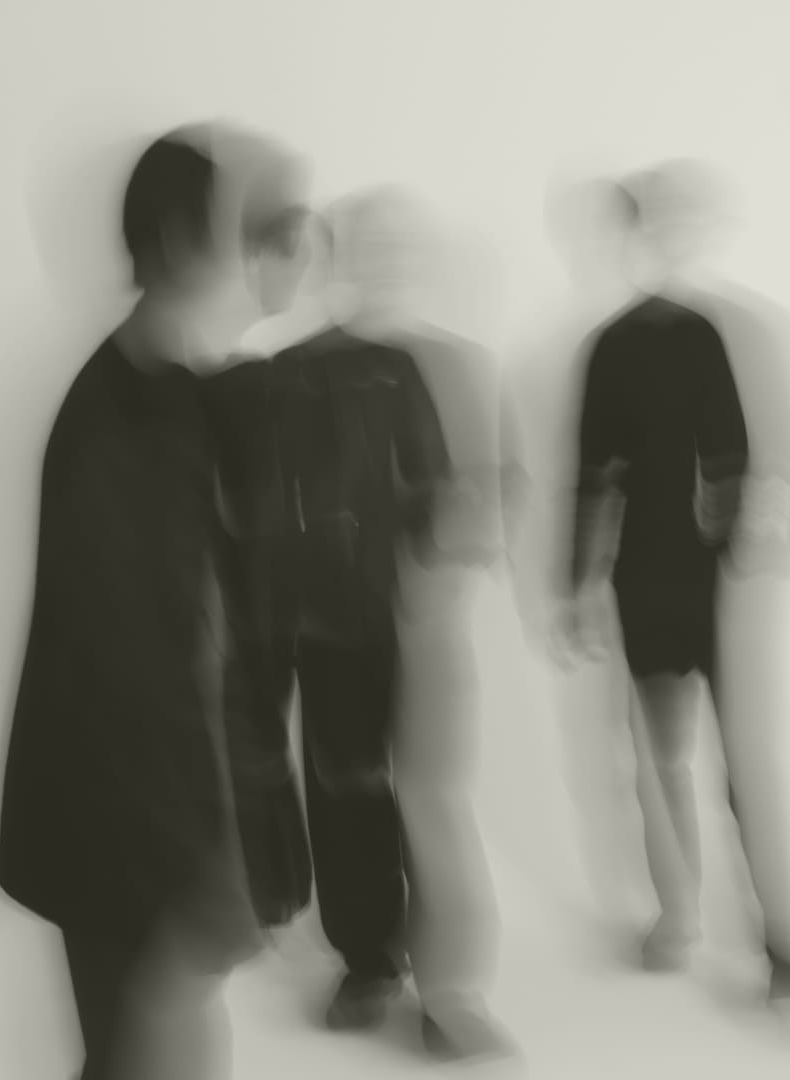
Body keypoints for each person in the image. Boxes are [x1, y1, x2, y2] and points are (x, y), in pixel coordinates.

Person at [0, 121, 313, 1080]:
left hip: (159, 835)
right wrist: (208, 873)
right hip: (137, 841)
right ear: (180, 244)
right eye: (255, 226)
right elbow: (148, 663)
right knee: (148, 1051)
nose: (285, 246)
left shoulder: (185, 398)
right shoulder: (125, 425)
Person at [557, 170, 790, 1012]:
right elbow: (592, 472)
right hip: (646, 574)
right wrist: (578, 581)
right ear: (636, 227)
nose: (673, 229)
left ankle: (784, 946)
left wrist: (766, 553)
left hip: (728, 583)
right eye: (658, 214)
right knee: (656, 756)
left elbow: (786, 455)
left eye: (688, 213)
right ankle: (676, 913)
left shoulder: (747, 331)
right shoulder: (611, 343)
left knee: (749, 762)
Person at [231, 210, 458, 1038]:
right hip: (265, 612)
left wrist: (415, 574)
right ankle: (296, 917)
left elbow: (430, 486)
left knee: (355, 783)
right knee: (272, 768)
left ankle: (379, 958)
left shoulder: (390, 369)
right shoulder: (258, 372)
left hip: (357, 615)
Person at [315, 186, 517, 1060]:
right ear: (340, 254)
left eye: (402, 243)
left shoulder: (464, 366)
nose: (386, 257)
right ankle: (367, 960)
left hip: (429, 625)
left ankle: (453, 991)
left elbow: (498, 486)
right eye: (369, 241)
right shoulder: (297, 370)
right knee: (344, 790)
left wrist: (440, 568)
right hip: (326, 623)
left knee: (434, 796)